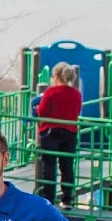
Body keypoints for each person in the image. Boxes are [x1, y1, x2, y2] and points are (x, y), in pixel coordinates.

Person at [33, 62, 82, 207]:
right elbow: (77, 111)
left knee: (49, 166)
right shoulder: (76, 93)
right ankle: (67, 199)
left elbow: (41, 111)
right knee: (67, 166)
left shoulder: (51, 92)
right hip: (70, 132)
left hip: (50, 132)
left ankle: (48, 199)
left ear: (57, 76)